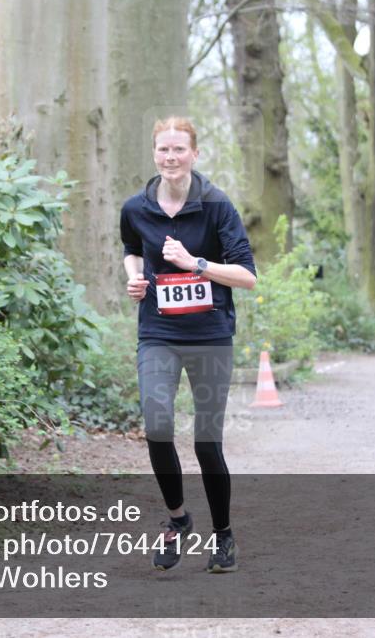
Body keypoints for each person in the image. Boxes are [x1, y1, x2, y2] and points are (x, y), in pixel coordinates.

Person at [120, 116, 257, 573]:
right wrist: (134, 278)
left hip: (211, 336)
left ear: (194, 154)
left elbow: (248, 277)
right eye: (163, 150)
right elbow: (131, 249)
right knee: (157, 425)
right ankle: (178, 520)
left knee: (205, 441)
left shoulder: (217, 206)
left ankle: (223, 536)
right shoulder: (136, 207)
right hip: (158, 332)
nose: (171, 157)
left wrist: (196, 263)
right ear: (154, 153)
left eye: (179, 150)